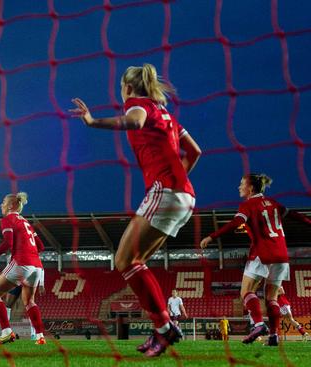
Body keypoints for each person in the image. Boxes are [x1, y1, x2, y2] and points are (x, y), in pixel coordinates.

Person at [70, 63, 201, 357]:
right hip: (184, 195)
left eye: (120, 87)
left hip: (165, 191)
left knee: (123, 260)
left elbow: (135, 121)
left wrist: (92, 122)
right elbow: (195, 151)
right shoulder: (166, 114)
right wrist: (179, 182)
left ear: (127, 87)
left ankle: (165, 327)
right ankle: (163, 329)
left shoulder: (137, 104)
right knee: (135, 262)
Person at [200, 174, 311, 347]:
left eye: (241, 184)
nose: (239, 187)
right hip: (282, 255)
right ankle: (273, 336)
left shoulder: (248, 204)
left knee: (245, 292)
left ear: (250, 188)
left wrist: (212, 236)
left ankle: (259, 325)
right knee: (271, 298)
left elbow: (237, 222)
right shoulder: (274, 203)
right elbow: (295, 215)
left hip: (262, 253)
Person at [0, 192, 46, 345]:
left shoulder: (8, 219)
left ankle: (6, 332)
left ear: (10, 205)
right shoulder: (27, 222)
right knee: (29, 301)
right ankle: (40, 336)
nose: (0, 205)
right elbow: (41, 246)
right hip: (37, 267)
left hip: (22, 262)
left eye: (3, 202)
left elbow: (8, 243)